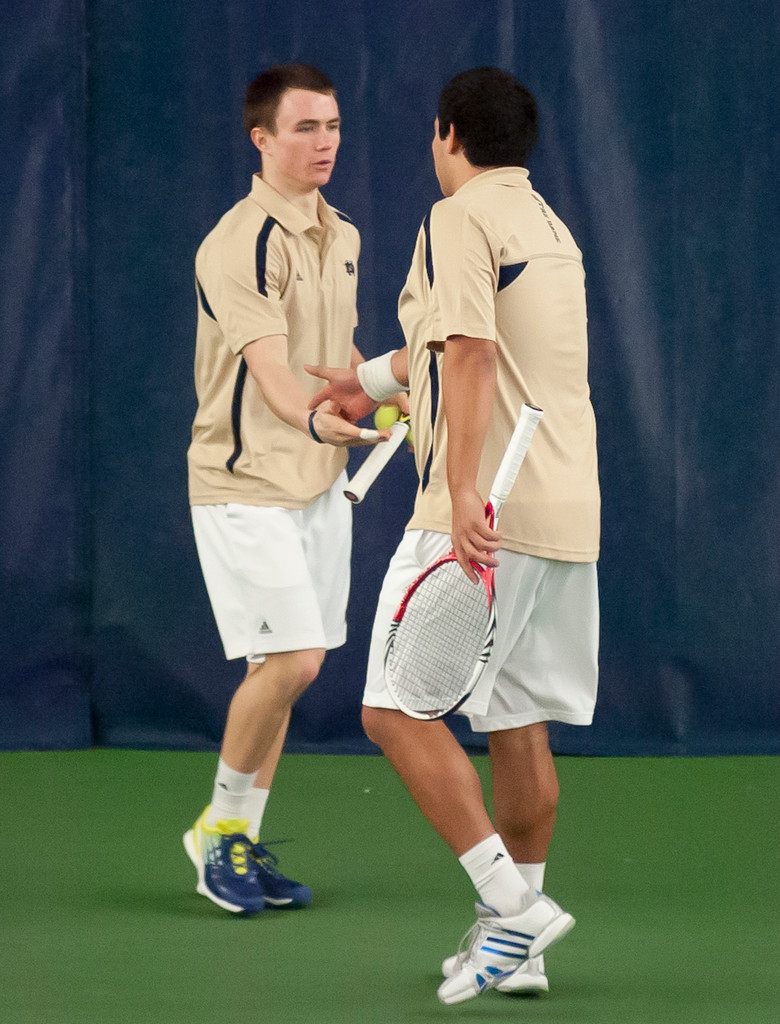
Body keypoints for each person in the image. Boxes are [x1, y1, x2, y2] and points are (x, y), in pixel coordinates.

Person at [308, 67, 599, 1003]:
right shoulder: (549, 227)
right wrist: (369, 382)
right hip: (566, 514)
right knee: (516, 717)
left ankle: (513, 909)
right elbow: (452, 345)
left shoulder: (458, 217)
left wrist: (464, 489)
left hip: (479, 512)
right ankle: (523, 950)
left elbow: (471, 353)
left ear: (447, 135)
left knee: (392, 712)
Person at [184, 63, 391, 915]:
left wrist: (391, 395)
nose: (325, 142)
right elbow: (273, 372)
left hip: (318, 484)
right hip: (244, 484)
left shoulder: (342, 234)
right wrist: (312, 420)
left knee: (285, 668)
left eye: (333, 126)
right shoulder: (240, 242)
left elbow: (329, 360)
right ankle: (216, 836)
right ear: (261, 139)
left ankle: (239, 835)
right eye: (306, 127)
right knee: (297, 658)